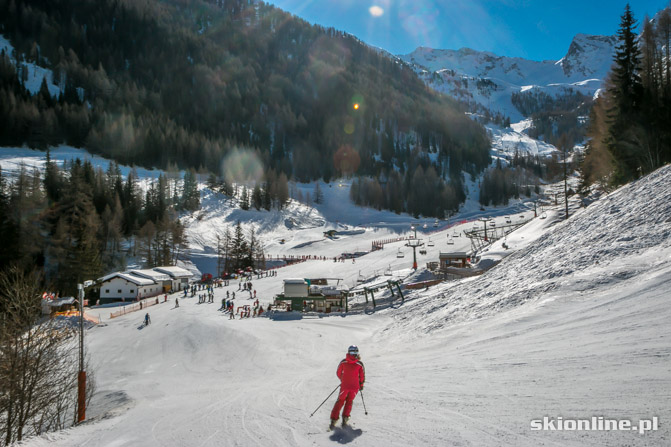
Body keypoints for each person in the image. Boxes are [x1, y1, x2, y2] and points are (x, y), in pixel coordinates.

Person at [329, 345, 365, 429]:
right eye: (352, 352)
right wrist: (361, 385)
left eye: (354, 352)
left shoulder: (343, 362)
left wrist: (343, 379)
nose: (353, 354)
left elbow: (338, 372)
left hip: (345, 386)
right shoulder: (359, 364)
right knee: (349, 401)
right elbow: (362, 377)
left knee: (340, 401)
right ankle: (345, 419)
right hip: (355, 387)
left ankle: (333, 421)